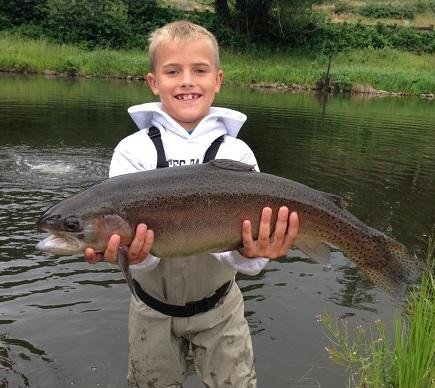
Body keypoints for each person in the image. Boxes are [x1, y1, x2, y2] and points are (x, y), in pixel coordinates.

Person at [85, 20, 299, 388]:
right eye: (172, 71)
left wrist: (256, 252)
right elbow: (141, 257)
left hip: (221, 309)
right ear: (154, 82)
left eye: (199, 70)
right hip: (149, 310)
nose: (186, 81)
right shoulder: (132, 151)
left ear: (217, 80)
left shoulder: (238, 151)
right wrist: (134, 256)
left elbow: (249, 260)